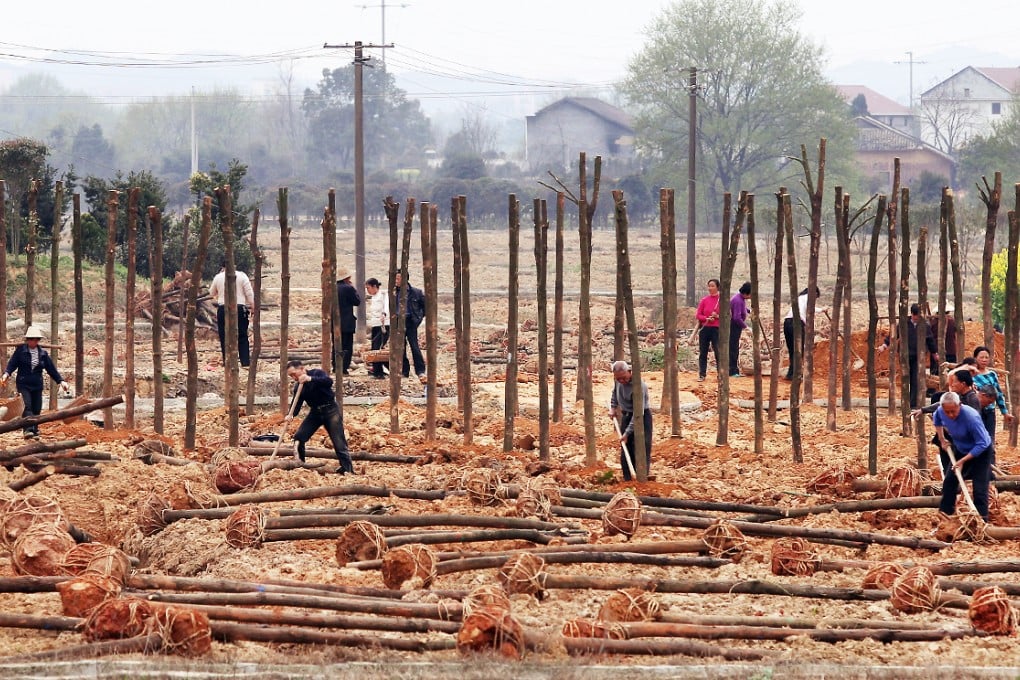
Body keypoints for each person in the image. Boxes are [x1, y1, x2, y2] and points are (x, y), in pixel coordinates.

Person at [284, 359, 354, 474]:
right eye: (291, 376)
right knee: (299, 437)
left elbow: (328, 382)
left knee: (338, 442)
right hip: (315, 413)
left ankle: (347, 469)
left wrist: (310, 379)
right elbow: (296, 404)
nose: (294, 378)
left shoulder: (316, 373)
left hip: (331, 410)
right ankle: (300, 465)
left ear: (302, 369)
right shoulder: (299, 387)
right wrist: (290, 415)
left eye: (294, 374)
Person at [1, 326, 71, 439]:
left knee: (37, 407)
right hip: (23, 383)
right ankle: (28, 429)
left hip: (37, 384)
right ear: (27, 340)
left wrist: (61, 381)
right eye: (31, 339)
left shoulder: (42, 354)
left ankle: (35, 429)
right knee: (27, 406)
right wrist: (6, 374)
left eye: (36, 339)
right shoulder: (20, 352)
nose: (33, 341)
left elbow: (51, 369)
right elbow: (12, 364)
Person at [932, 391, 992, 520]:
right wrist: (942, 439)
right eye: (947, 412)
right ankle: (945, 514)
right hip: (961, 449)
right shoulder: (941, 411)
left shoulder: (971, 417)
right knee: (949, 482)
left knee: (979, 487)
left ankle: (982, 520)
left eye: (953, 411)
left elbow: (982, 443)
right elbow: (936, 419)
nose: (950, 415)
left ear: (960, 404)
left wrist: (963, 461)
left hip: (981, 452)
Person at [879, 303, 938, 407]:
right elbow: (893, 335)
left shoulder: (924, 325)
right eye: (915, 316)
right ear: (912, 314)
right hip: (905, 355)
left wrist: (934, 353)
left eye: (919, 316)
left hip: (919, 356)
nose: (917, 318)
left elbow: (930, 340)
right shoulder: (903, 324)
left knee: (916, 378)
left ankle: (913, 403)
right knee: (906, 378)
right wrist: (884, 345)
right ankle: (905, 401)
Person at [608, 360, 651, 482]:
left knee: (641, 447)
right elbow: (614, 394)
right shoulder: (617, 381)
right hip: (627, 416)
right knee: (625, 448)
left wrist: (627, 433)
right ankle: (628, 479)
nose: (621, 381)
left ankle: (642, 478)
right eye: (618, 379)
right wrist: (613, 408)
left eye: (624, 378)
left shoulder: (639, 386)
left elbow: (638, 414)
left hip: (642, 417)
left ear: (630, 372)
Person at [208, 261, 255, 367]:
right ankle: (245, 362)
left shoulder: (218, 277)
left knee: (224, 336)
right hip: (239, 308)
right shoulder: (242, 276)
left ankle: (227, 361)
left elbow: (211, 293)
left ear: (222, 267)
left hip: (223, 308)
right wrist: (253, 308)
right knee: (242, 336)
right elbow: (249, 294)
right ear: (234, 265)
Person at [971, 345, 1013, 439]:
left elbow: (998, 394)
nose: (984, 360)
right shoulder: (971, 374)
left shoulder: (992, 375)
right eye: (981, 357)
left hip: (990, 412)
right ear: (975, 358)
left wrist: (1005, 413)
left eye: (986, 357)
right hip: (976, 412)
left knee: (990, 438)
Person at [393, 271, 426, 378]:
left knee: (414, 346)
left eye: (398, 279)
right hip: (398, 322)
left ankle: (420, 370)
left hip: (411, 321)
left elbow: (425, 307)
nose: (396, 281)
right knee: (400, 347)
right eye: (395, 279)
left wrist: (418, 318)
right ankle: (404, 371)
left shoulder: (416, 292)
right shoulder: (393, 292)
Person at [783, 286, 821, 379]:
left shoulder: (799, 298)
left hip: (787, 323)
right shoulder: (808, 297)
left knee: (792, 350)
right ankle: (796, 374)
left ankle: (791, 374)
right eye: (816, 297)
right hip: (797, 323)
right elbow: (810, 308)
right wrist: (822, 310)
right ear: (814, 293)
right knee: (799, 350)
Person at [335, 268, 361, 375]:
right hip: (346, 322)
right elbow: (357, 301)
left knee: (336, 345)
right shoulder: (348, 288)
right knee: (347, 346)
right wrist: (353, 288)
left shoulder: (333, 287)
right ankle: (344, 367)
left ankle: (335, 366)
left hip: (335, 322)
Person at [695, 279, 721, 382]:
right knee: (703, 352)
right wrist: (706, 319)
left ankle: (720, 373)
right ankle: (702, 374)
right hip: (705, 328)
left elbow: (727, 315)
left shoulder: (722, 300)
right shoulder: (704, 300)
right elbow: (698, 315)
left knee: (718, 352)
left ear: (717, 287)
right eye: (709, 286)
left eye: (712, 286)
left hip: (716, 329)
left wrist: (717, 316)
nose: (710, 288)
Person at [365, 277, 389, 379]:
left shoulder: (383, 295)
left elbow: (387, 306)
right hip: (375, 324)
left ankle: (379, 371)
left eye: (368, 288)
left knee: (378, 347)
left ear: (375, 286)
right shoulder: (373, 297)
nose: (368, 290)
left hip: (383, 324)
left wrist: (384, 314)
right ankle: (377, 369)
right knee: (375, 347)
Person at [728, 281, 752, 377]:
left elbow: (742, 308)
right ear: (746, 293)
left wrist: (748, 310)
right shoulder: (738, 300)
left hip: (735, 326)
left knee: (734, 347)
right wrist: (746, 327)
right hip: (733, 326)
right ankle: (733, 371)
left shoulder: (740, 298)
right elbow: (736, 317)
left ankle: (734, 369)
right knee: (733, 348)